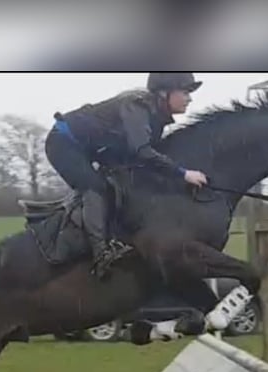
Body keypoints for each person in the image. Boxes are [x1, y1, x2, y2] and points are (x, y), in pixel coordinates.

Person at [44, 73, 209, 279]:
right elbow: (142, 152)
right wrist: (183, 174)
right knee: (96, 187)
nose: (189, 98)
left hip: (91, 148)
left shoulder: (157, 116)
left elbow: (142, 159)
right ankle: (100, 254)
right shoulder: (137, 107)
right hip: (63, 143)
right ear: (164, 93)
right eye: (185, 92)